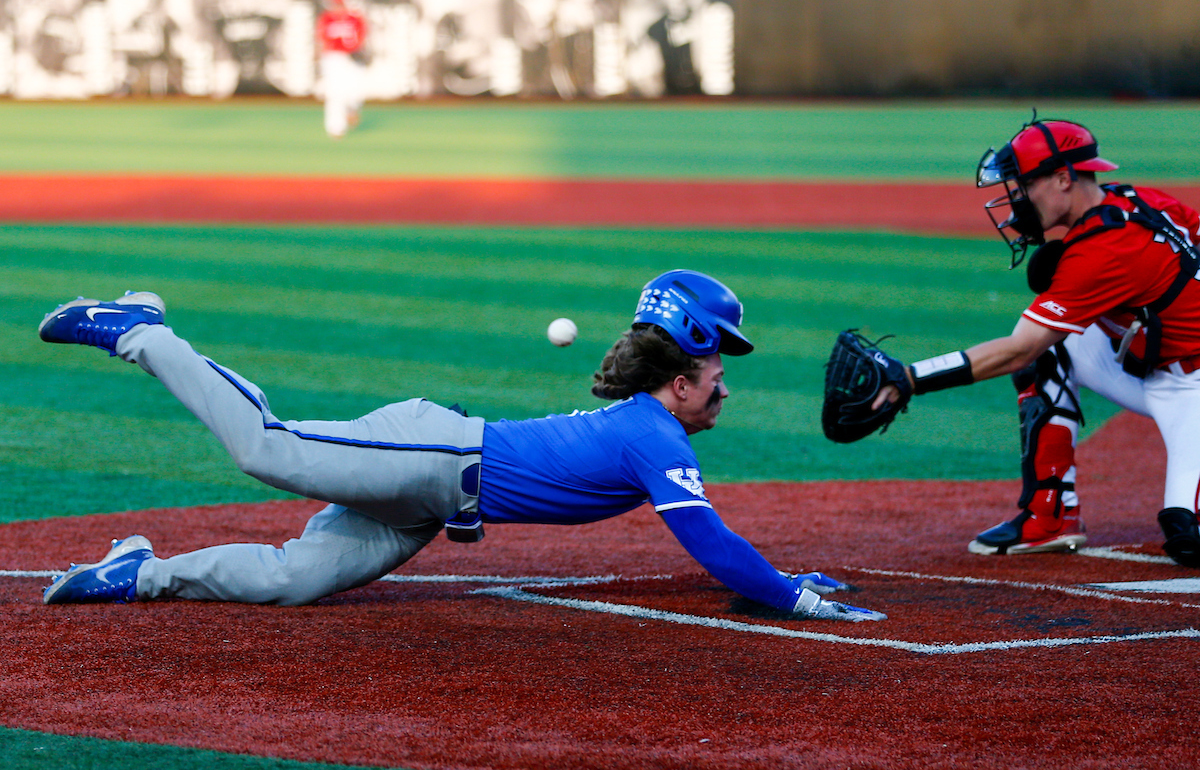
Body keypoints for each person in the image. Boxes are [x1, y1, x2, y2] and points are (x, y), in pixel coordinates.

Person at [37, 270, 885, 622]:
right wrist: (794, 599)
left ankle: (138, 570)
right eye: (714, 371)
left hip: (432, 502)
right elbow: (713, 546)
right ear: (680, 379)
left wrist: (778, 581)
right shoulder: (651, 436)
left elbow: (726, 550)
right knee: (269, 449)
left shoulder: (650, 425)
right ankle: (140, 332)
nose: (724, 387)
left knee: (296, 580)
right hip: (432, 455)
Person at [871, 117, 1200, 566]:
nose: (1016, 198)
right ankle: (1051, 515)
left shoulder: (1102, 251)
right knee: (1052, 349)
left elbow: (1017, 348)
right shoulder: (1137, 199)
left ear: (1063, 178)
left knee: (1187, 536)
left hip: (1193, 392)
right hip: (1156, 370)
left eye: (1024, 184)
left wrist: (911, 378)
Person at [315, 0, 367, 138]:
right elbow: (320, 40)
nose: (338, 5)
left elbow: (363, 38)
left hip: (352, 57)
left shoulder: (355, 18)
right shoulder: (326, 18)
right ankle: (335, 128)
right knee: (334, 93)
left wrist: (361, 52)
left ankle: (352, 108)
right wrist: (317, 60)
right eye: (336, 2)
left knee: (355, 91)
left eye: (340, 1)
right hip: (333, 58)